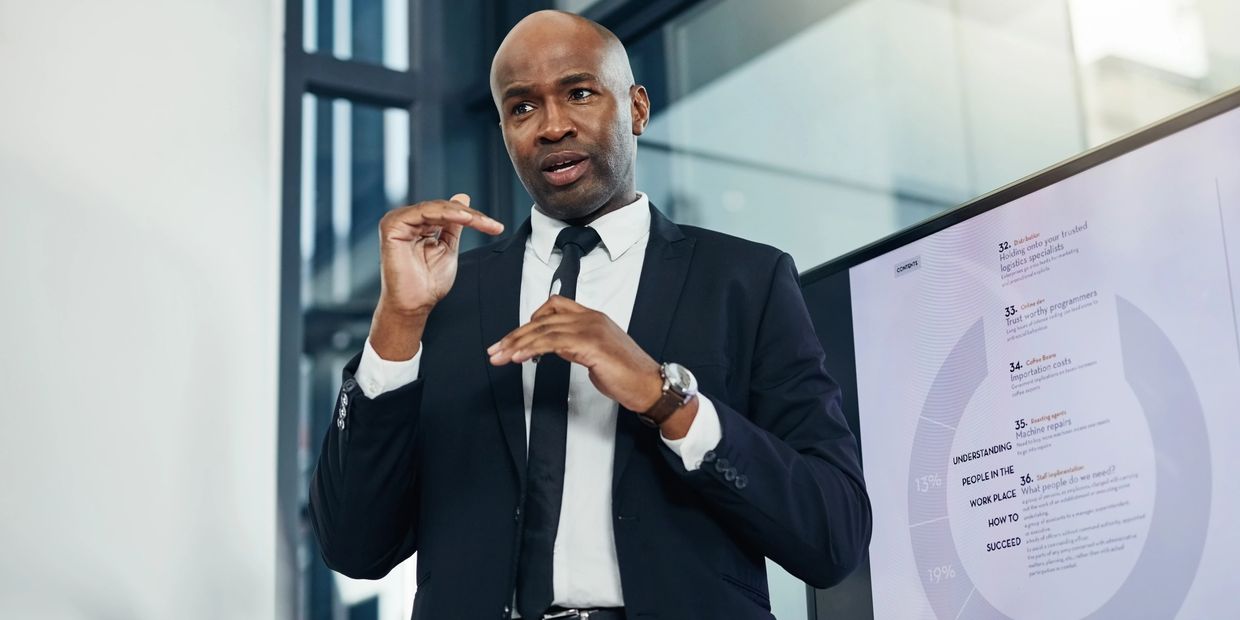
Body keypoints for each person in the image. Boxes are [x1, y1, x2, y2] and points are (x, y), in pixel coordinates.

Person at [309, 10, 871, 620]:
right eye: (522, 108)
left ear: (636, 107)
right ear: (502, 130)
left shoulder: (745, 281)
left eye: (579, 93)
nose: (552, 127)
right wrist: (397, 322)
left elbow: (833, 535)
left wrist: (668, 399)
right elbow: (354, 545)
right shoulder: (442, 300)